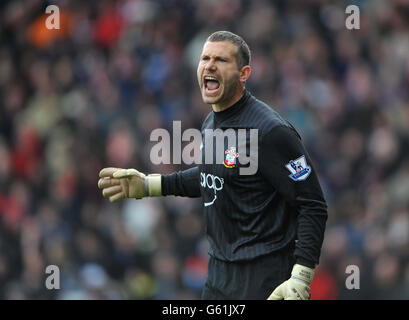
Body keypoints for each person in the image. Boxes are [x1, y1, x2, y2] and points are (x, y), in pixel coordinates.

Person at [98, 31, 328, 300]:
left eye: (221, 60)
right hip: (219, 276)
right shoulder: (211, 122)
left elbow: (312, 204)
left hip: (264, 281)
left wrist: (301, 275)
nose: (209, 65)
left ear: (244, 74)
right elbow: (216, 176)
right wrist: (150, 185)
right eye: (205, 58)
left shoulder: (270, 131)